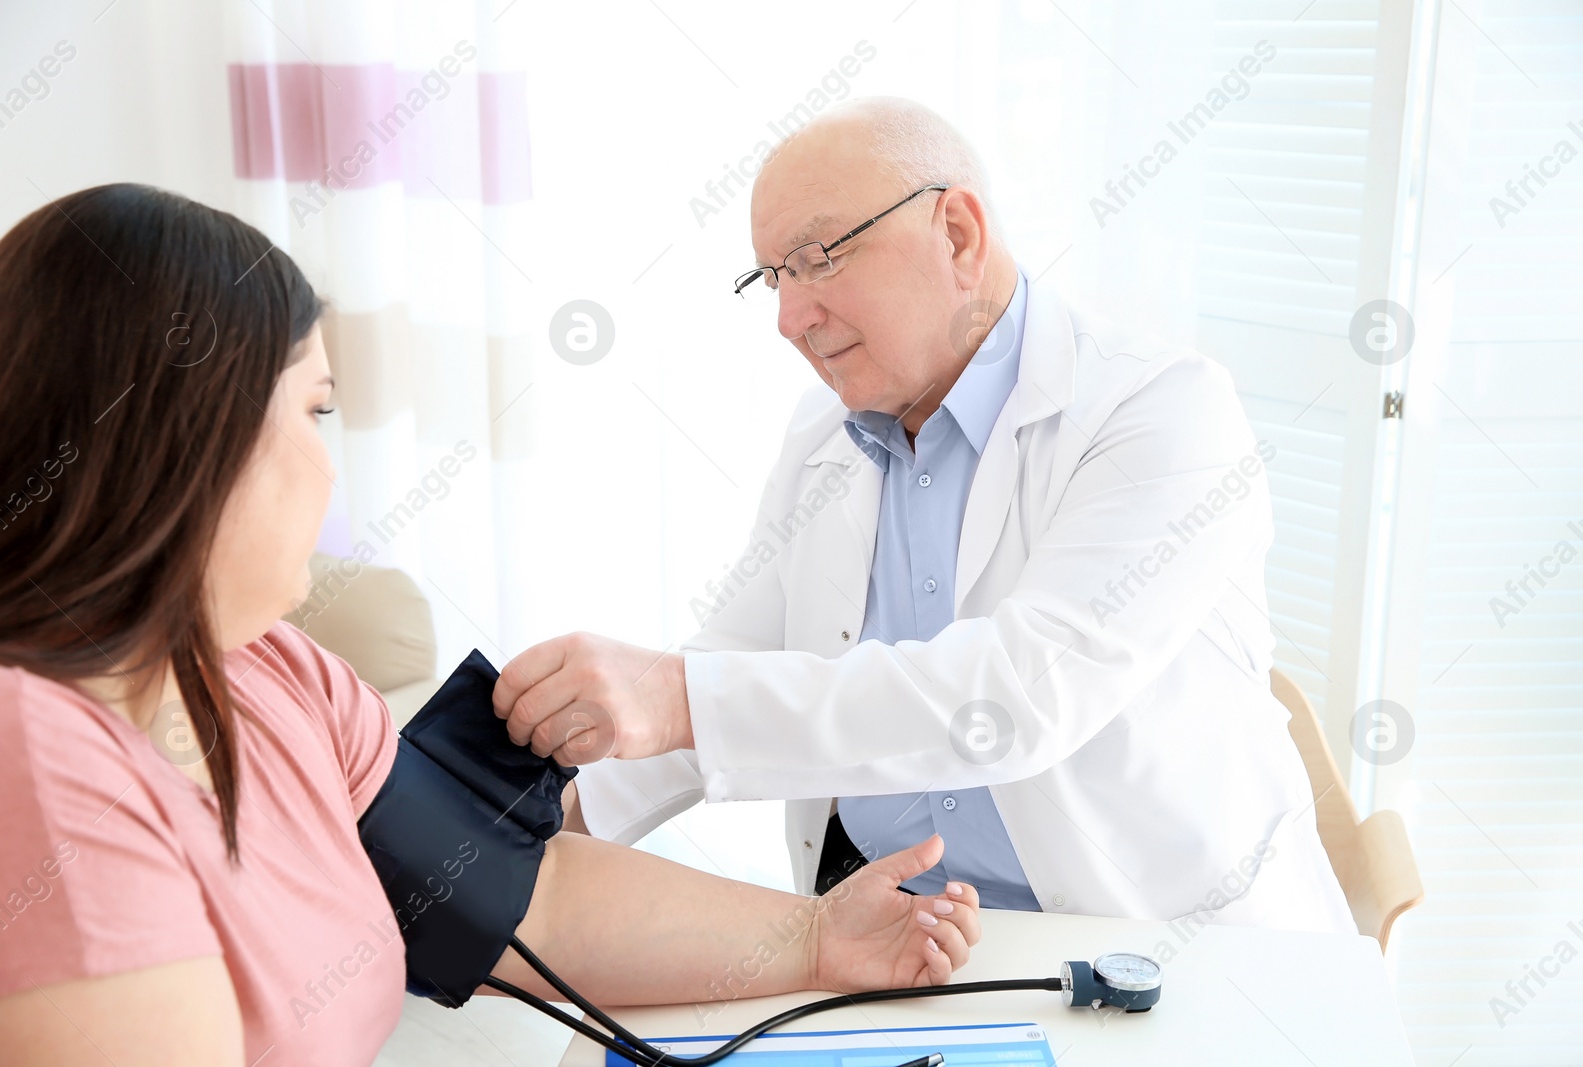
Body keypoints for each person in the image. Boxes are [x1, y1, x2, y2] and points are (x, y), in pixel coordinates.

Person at [0, 184, 982, 1067]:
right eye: (315, 411)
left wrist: (811, 938)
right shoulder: (23, 753)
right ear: (179, 439)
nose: (330, 470)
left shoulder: (275, 673)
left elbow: (520, 896)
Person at [493, 97, 1357, 935]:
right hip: (900, 933)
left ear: (957, 235)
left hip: (1150, 945)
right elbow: (741, 659)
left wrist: (678, 700)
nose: (791, 319)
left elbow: (1017, 694)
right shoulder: (824, 433)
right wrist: (540, 817)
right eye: (774, 278)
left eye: (820, 257)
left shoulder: (1163, 410)